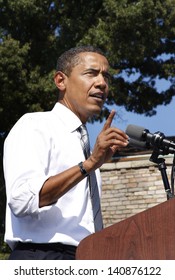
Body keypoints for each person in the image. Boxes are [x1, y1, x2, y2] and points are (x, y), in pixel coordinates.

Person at [3, 45, 129, 260]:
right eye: (91, 73)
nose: (102, 83)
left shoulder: (86, 145)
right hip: (42, 258)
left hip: (85, 259)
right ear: (61, 81)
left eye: (105, 76)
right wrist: (88, 165)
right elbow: (22, 200)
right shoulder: (34, 125)